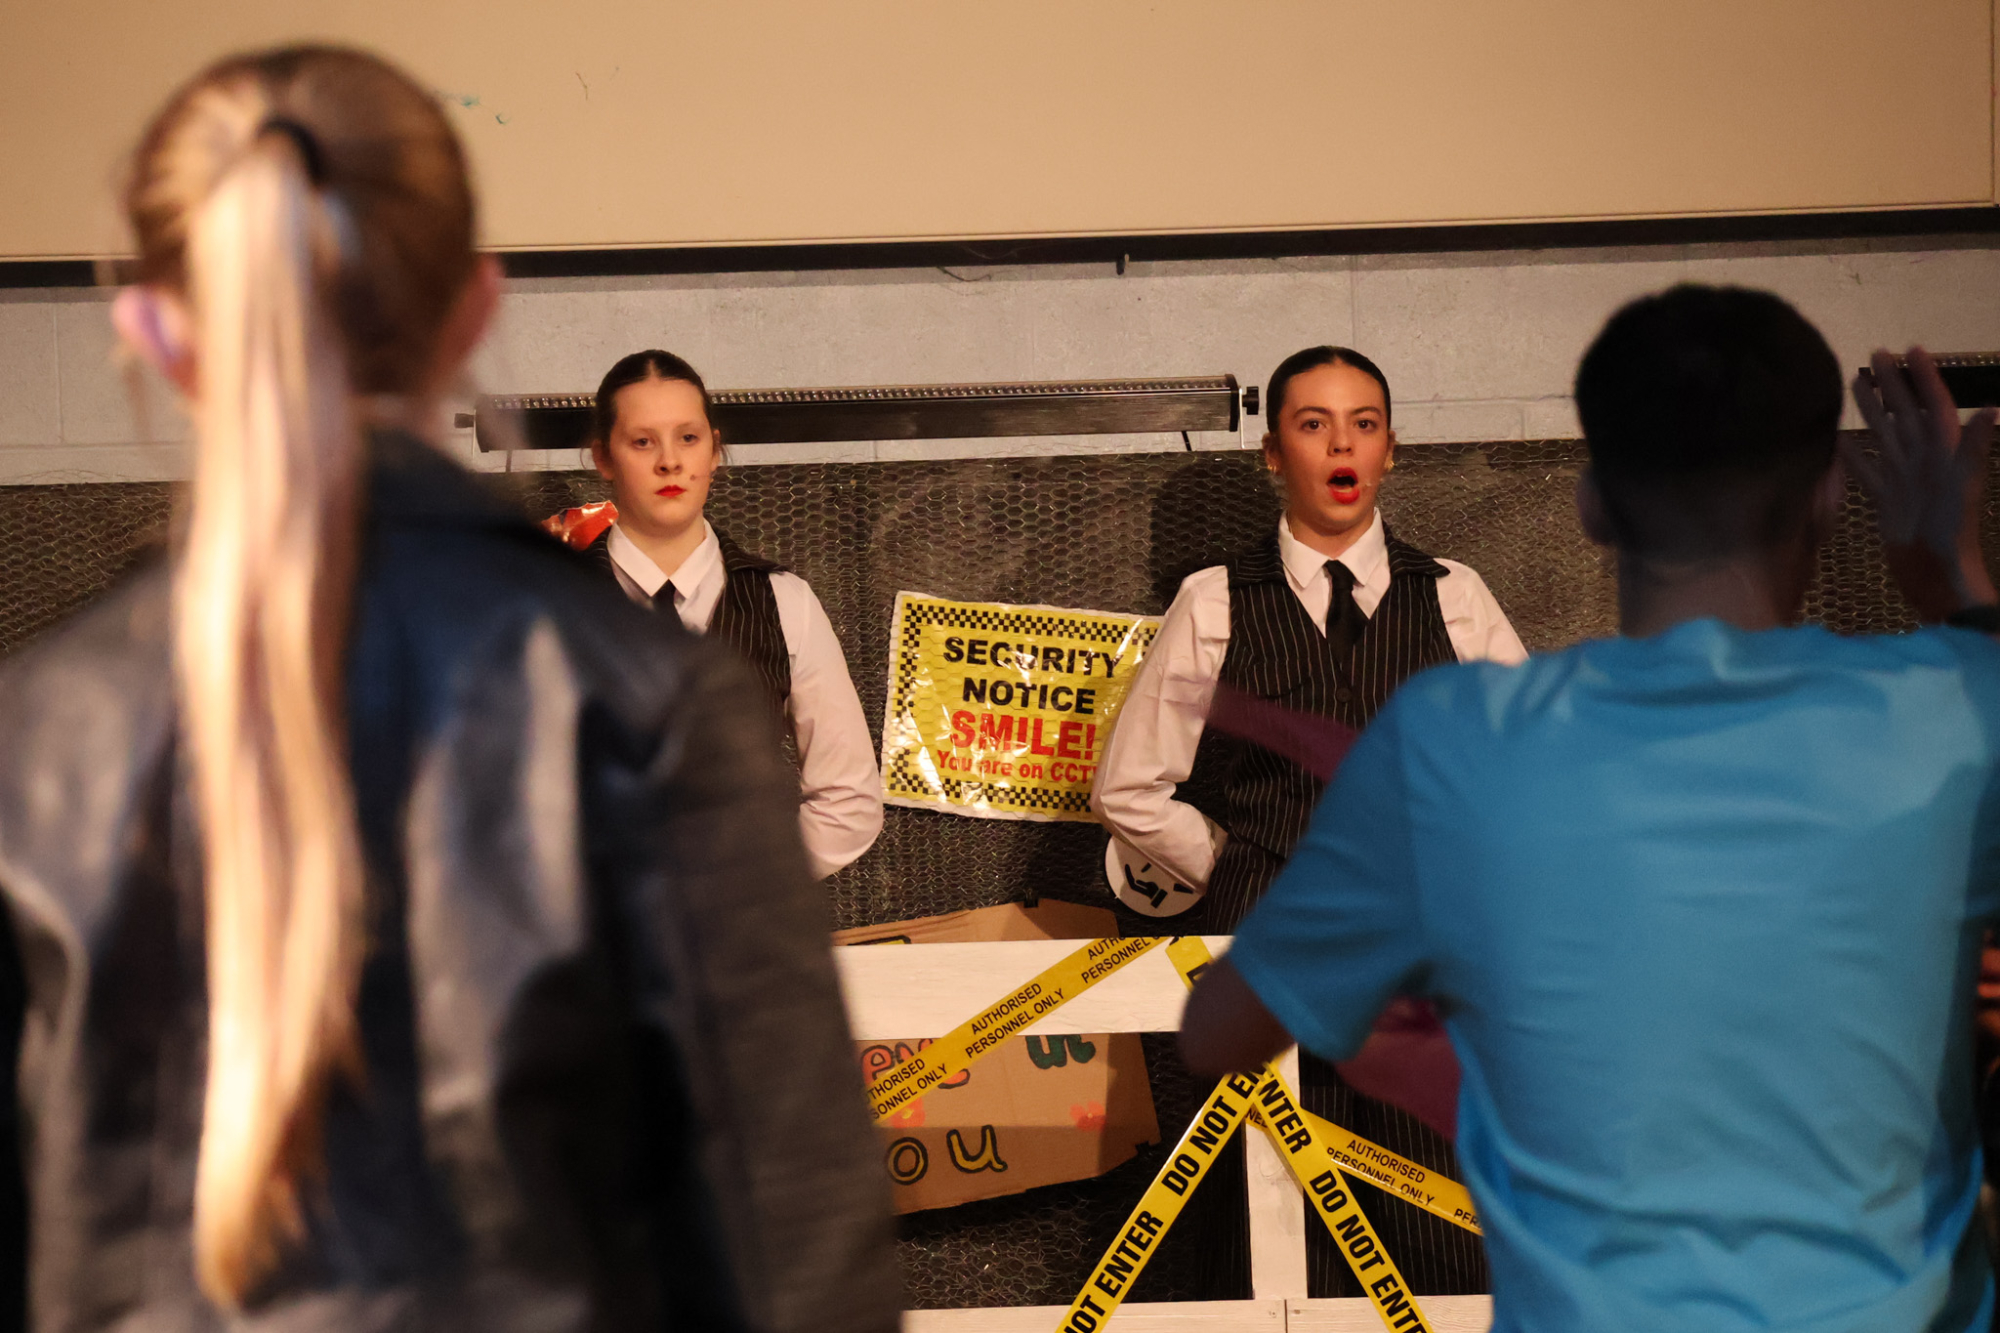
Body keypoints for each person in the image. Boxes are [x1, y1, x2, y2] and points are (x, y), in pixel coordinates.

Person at [0, 46, 900, 1332]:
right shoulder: (648, 701)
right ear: (474, 309)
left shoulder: (36, 735)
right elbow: (800, 1255)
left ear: (153, 331)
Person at [1182, 284, 2000, 1332]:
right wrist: (1955, 584)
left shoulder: (1452, 744)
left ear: (1590, 505)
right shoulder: (1954, 713)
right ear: (1831, 498)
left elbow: (1219, 1029)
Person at [1092, 345, 1524, 1297]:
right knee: (1266, 1213)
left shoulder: (1453, 594)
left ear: (1390, 450)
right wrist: (1237, 860)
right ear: (1273, 453)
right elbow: (1128, 788)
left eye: (1363, 424)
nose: (1341, 445)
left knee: (1439, 1214)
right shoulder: (1215, 599)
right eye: (1313, 423)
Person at [545, 351, 882, 881]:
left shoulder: (784, 603)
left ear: (714, 450)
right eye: (642, 441)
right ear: (603, 457)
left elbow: (849, 801)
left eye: (688, 437)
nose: (669, 462)